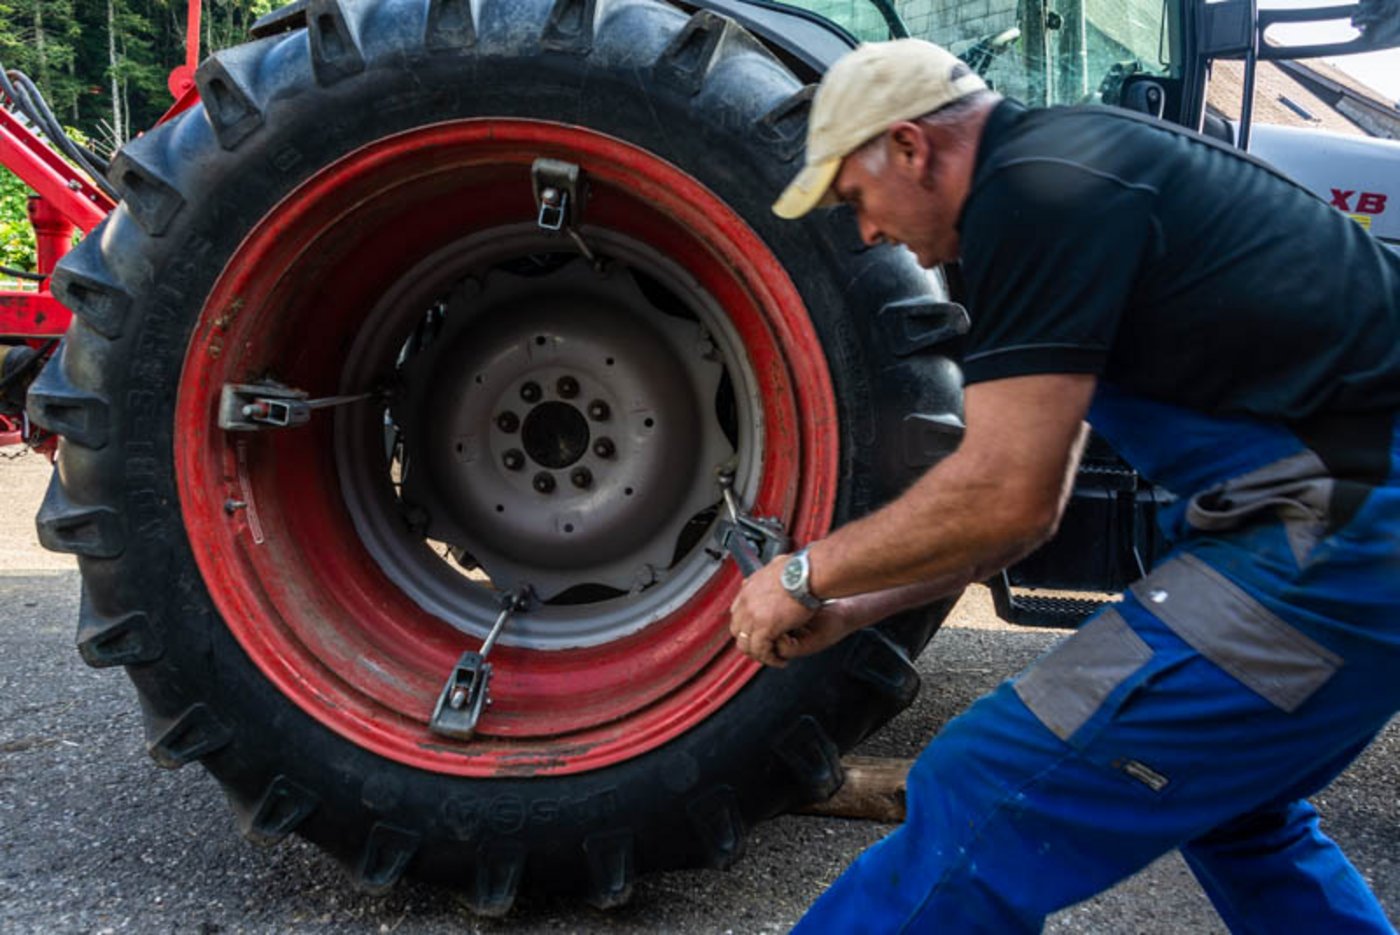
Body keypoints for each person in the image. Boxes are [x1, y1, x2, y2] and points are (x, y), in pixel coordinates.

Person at [728, 38, 1400, 932]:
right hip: (1342, 534)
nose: (868, 231)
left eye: (856, 197)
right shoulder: (1071, 169)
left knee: (988, 783)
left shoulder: (1037, 194)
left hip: (1341, 540)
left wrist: (805, 575)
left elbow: (998, 493)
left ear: (910, 146)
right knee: (1237, 812)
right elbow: (1025, 515)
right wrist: (856, 609)